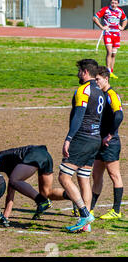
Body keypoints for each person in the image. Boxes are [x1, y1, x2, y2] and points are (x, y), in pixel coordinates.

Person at [58, 59, 105, 233]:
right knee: (84, 178)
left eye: (79, 71)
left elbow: (79, 115)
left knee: (64, 177)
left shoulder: (83, 90)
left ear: (85, 72)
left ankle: (84, 214)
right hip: (95, 139)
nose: (78, 74)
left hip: (83, 138)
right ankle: (86, 224)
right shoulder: (100, 91)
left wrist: (69, 138)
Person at [0, 145, 66, 220]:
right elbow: (10, 193)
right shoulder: (12, 171)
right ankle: (71, 195)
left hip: (35, 154)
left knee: (14, 180)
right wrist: (5, 216)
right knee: (46, 192)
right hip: (45, 156)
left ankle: (42, 201)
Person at [91, 66, 124, 219]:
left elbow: (119, 115)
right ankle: (90, 209)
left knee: (114, 175)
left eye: (98, 79)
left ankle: (116, 211)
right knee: (96, 176)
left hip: (111, 142)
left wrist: (110, 135)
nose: (96, 82)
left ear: (106, 79)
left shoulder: (111, 95)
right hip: (99, 141)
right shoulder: (101, 94)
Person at [93, 0, 127, 79]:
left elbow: (125, 19)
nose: (113, 4)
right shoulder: (105, 10)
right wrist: (102, 27)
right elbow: (95, 18)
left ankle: (111, 71)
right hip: (108, 33)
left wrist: (122, 27)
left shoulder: (120, 11)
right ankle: (107, 72)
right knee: (109, 51)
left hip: (117, 34)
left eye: (115, 3)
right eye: (112, 3)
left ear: (118, 4)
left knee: (114, 54)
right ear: (110, 3)